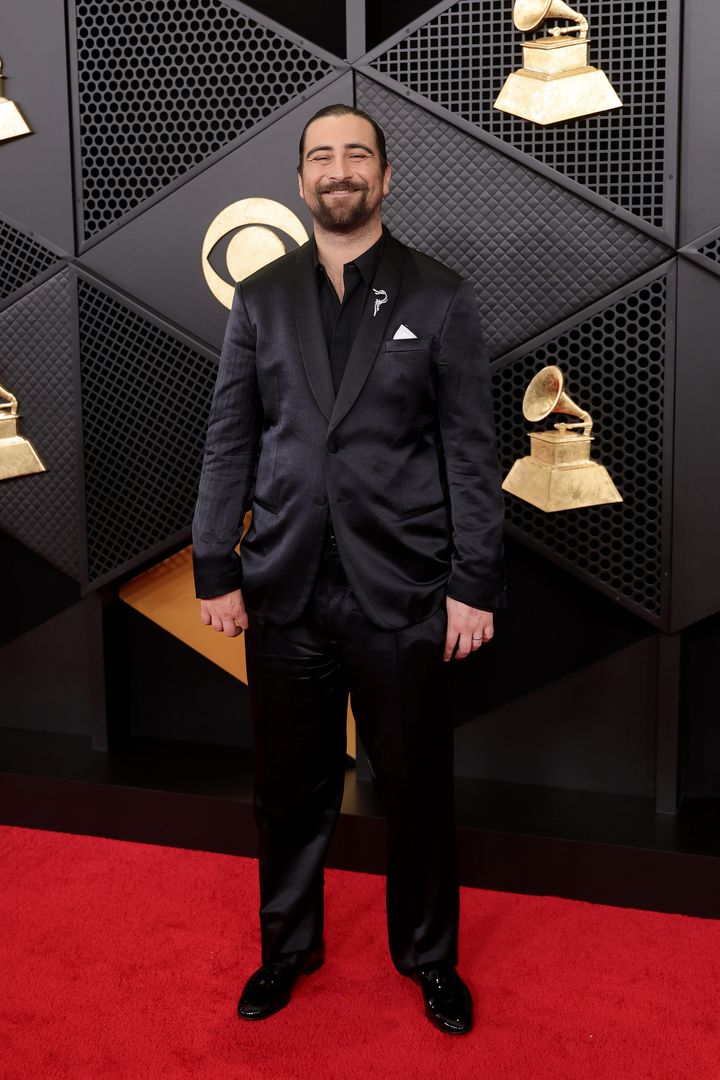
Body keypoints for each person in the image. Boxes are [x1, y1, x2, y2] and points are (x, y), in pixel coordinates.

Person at [192, 103, 505, 1035]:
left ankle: (430, 958)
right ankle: (287, 949)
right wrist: (214, 565)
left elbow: (470, 453)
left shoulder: (439, 295)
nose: (339, 170)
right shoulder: (260, 297)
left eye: (357, 155)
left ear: (385, 175)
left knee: (416, 788)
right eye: (321, 156)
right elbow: (230, 438)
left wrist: (473, 584)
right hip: (283, 585)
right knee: (288, 791)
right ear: (300, 181)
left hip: (404, 588)